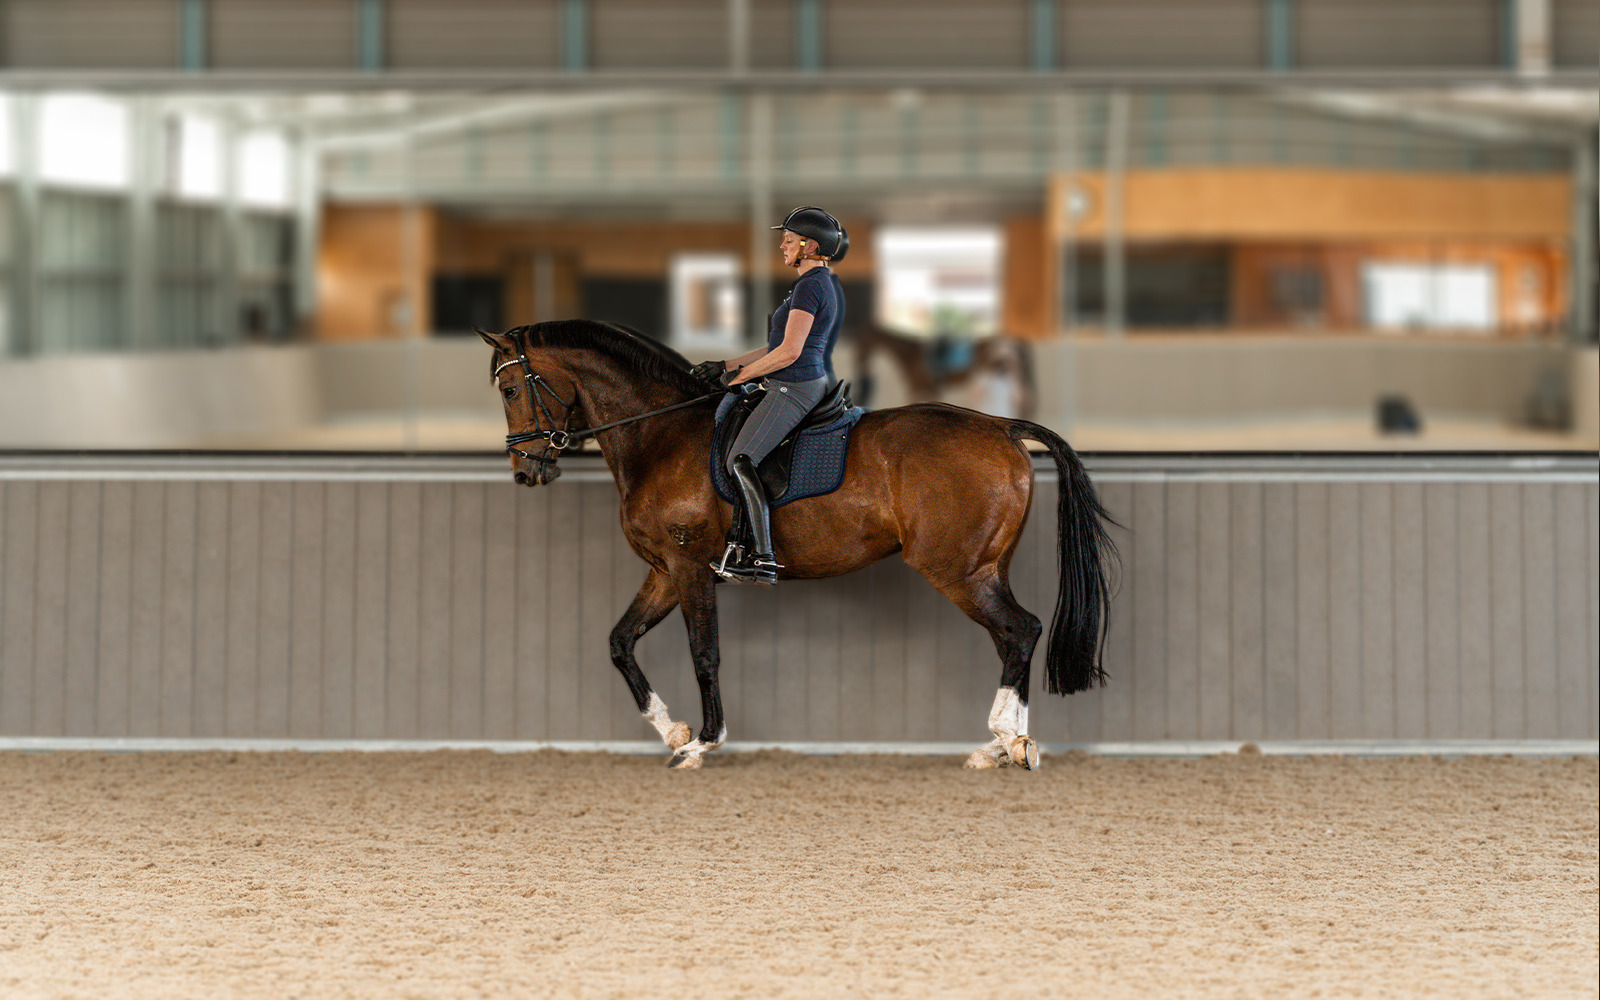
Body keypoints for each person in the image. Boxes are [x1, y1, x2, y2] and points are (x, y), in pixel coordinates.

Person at [688, 206, 848, 585]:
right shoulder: (812, 284)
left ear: (809, 246)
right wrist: (725, 364)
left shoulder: (812, 286)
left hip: (794, 387)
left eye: (789, 240)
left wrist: (737, 378)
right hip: (788, 380)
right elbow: (774, 346)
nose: (782, 246)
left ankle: (762, 556)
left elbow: (789, 354)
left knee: (741, 460)